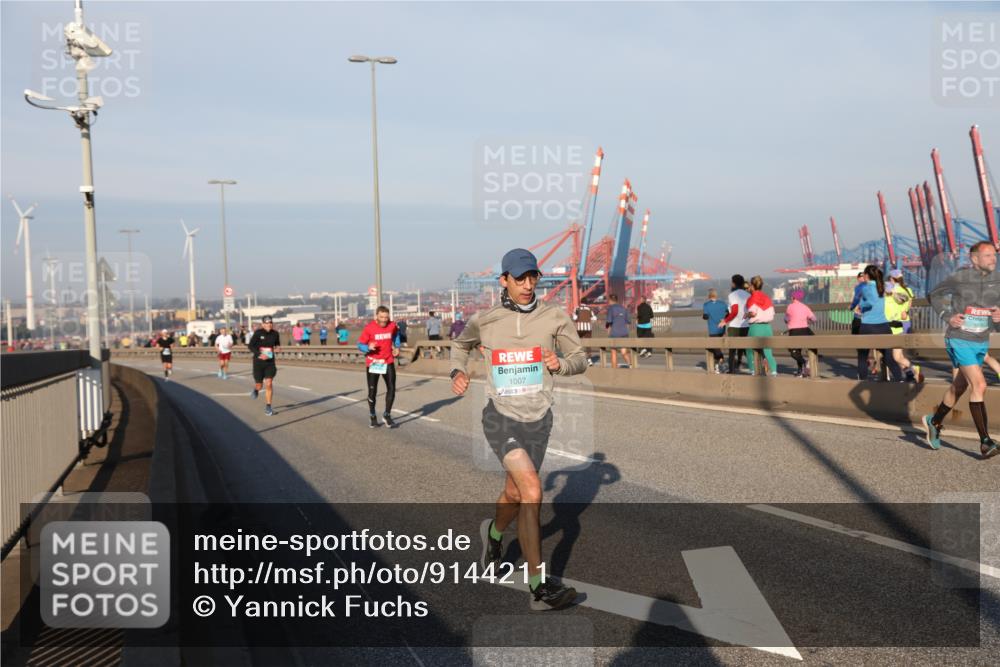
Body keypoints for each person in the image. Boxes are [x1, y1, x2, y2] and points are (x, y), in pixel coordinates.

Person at [450, 248, 587, 611]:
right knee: (531, 489)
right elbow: (459, 345)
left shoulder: (554, 317)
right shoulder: (486, 319)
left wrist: (560, 364)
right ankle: (539, 587)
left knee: (514, 492)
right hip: (501, 416)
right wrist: (458, 372)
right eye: (520, 278)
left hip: (539, 419)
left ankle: (494, 536)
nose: (528, 285)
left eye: (533, 277)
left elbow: (581, 359)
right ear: (504, 281)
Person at [923, 241, 1000, 459]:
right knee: (980, 384)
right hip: (959, 339)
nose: (993, 259)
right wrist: (947, 316)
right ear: (974, 259)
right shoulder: (960, 278)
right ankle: (985, 441)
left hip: (981, 340)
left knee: (958, 387)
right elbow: (934, 294)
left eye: (994, 255)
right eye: (987, 256)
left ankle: (935, 420)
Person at [856, 264, 903, 382]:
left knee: (862, 356)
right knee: (889, 357)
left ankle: (863, 381)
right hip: (883, 326)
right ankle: (900, 381)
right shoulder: (884, 285)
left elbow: (870, 302)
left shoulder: (866, 288)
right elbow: (901, 298)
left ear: (866, 276)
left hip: (868, 326)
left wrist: (861, 305)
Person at [358, 306, 401, 428]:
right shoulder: (369, 328)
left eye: (386, 317)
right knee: (373, 391)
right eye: (381, 317)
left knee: (392, 389)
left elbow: (396, 335)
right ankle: (372, 416)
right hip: (374, 362)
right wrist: (367, 347)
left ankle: (387, 415)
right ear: (376, 316)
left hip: (388, 361)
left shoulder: (392, 325)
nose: (384, 320)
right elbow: (360, 344)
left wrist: (397, 346)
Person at [885, 270, 921, 383]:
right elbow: (908, 306)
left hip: (895, 323)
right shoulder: (908, 290)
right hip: (905, 322)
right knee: (898, 354)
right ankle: (909, 374)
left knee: (896, 355)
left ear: (891, 278)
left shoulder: (891, 289)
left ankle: (913, 369)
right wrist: (904, 311)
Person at [745, 276, 778, 376]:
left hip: (755, 327)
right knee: (768, 352)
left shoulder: (751, 298)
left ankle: (753, 370)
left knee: (749, 350)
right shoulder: (767, 297)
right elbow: (772, 313)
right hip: (767, 327)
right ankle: (774, 372)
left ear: (752, 285)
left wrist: (746, 315)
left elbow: (753, 313)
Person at [248, 316, 281, 416]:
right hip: (258, 362)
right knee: (259, 385)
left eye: (270, 323)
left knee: (269, 383)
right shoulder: (258, 333)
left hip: (270, 362)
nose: (268, 325)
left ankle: (268, 406)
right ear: (262, 324)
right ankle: (256, 390)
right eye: (266, 323)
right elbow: (250, 346)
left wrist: (278, 348)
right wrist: (259, 354)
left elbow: (277, 344)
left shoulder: (275, 334)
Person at [719, 274, 751, 374]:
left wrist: (725, 321)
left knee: (732, 350)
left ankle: (732, 370)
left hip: (734, 326)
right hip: (746, 325)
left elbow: (734, 311)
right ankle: (755, 368)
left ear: (733, 283)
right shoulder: (748, 295)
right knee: (746, 349)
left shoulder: (732, 295)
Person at [784, 289, 816, 377]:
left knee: (794, 352)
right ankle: (800, 371)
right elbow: (814, 319)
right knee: (800, 350)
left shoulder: (790, 306)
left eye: (791, 296)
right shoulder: (805, 307)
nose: (790, 297)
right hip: (805, 331)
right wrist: (808, 320)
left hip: (795, 332)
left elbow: (786, 319)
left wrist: (788, 321)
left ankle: (804, 363)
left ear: (793, 297)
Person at [702, 289, 729, 373]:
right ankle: (717, 366)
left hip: (713, 330)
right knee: (717, 347)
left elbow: (705, 316)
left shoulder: (706, 305)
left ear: (709, 295)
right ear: (716, 295)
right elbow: (728, 313)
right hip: (721, 329)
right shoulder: (723, 304)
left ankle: (721, 362)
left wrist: (704, 317)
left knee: (716, 349)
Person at [605, 294, 632, 368]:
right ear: (617, 300)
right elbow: (628, 322)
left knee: (613, 352)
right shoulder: (624, 308)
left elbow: (609, 321)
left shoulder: (611, 308)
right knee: (624, 352)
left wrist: (608, 330)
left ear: (610, 300)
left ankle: (614, 371)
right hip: (624, 333)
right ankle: (630, 365)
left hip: (614, 333)